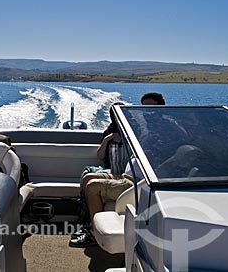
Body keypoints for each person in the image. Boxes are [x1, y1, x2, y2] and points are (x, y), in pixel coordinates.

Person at [69, 92, 165, 247]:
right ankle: (87, 222)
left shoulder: (164, 133)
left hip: (138, 183)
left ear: (162, 109)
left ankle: (94, 233)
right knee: (87, 177)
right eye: (144, 109)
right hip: (126, 176)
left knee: (92, 187)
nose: (147, 113)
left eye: (151, 109)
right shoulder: (146, 129)